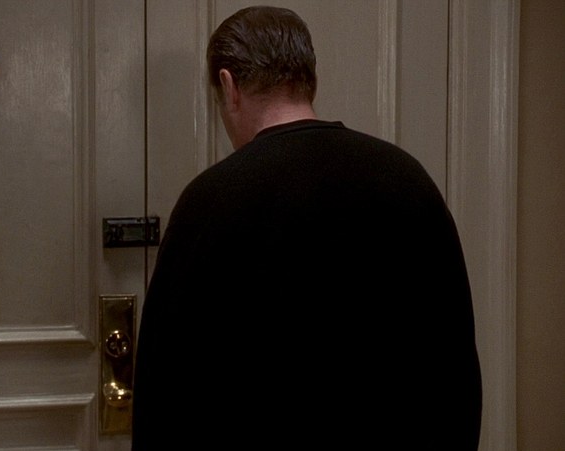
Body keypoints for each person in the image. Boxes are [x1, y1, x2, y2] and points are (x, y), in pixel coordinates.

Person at [131, 6, 482, 450]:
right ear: (308, 77)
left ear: (229, 85)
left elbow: (166, 388)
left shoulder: (208, 202)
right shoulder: (407, 180)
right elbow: (454, 367)